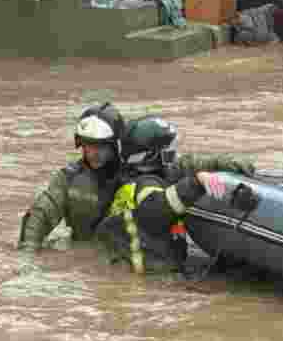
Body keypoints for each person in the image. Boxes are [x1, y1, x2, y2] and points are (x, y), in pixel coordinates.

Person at [94, 114, 257, 274]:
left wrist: (224, 164)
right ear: (153, 156)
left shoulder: (134, 176)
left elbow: (184, 165)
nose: (174, 156)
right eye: (169, 152)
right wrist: (196, 183)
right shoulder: (145, 185)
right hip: (145, 276)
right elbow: (156, 209)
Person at [18, 102, 127, 252]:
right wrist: (27, 253)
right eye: (87, 145)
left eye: (100, 146)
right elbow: (40, 215)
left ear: (115, 146)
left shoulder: (134, 179)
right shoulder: (69, 178)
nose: (92, 153)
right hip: (85, 257)